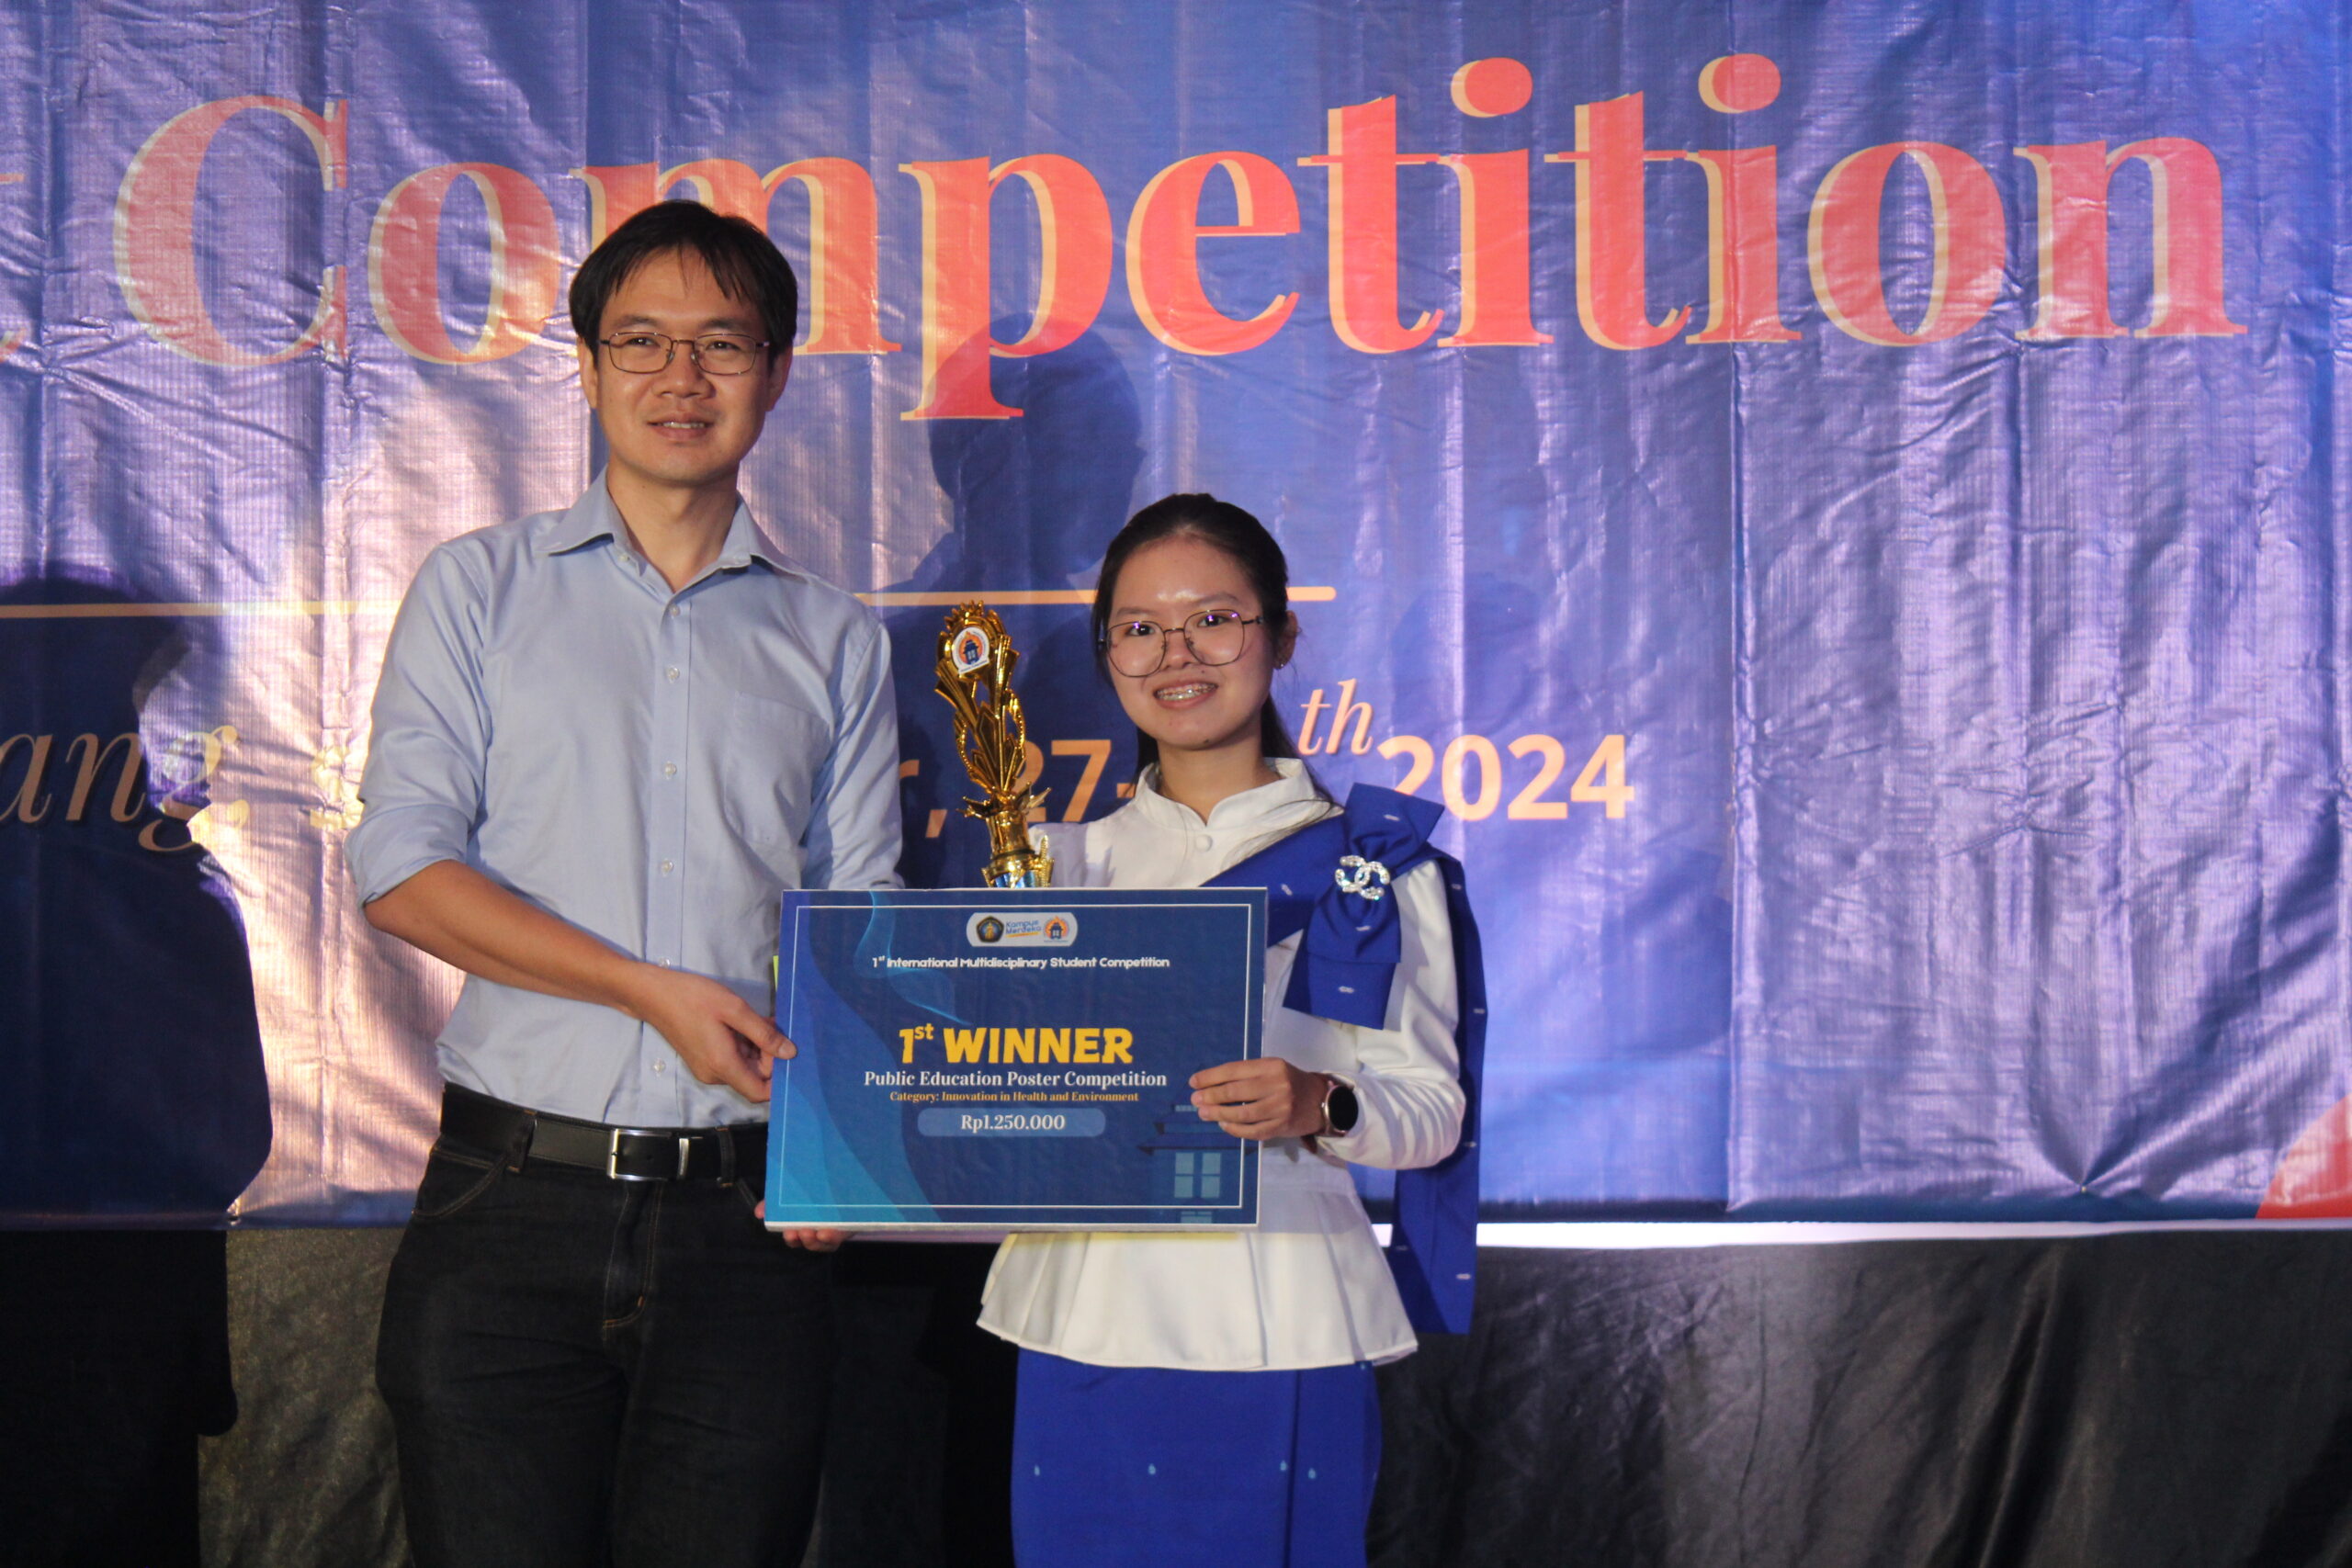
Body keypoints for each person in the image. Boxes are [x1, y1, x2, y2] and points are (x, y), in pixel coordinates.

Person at [344, 199, 899, 1568]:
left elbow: (860, 921)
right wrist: (647, 991)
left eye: (722, 343)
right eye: (641, 341)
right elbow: (401, 867)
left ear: (776, 371)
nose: (680, 376)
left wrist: (845, 1145)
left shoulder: (835, 637)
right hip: (507, 1204)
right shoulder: (477, 589)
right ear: (588, 368)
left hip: (747, 1223)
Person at [978, 493, 1482, 1568]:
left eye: (1214, 619)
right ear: (1107, 651)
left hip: (1283, 1311)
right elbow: (989, 1099)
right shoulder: (1056, 866)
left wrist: (1320, 1103)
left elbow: (1432, 1111)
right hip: (1084, 1316)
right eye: (1140, 627)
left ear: (1282, 634)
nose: (1177, 653)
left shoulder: (1375, 869)